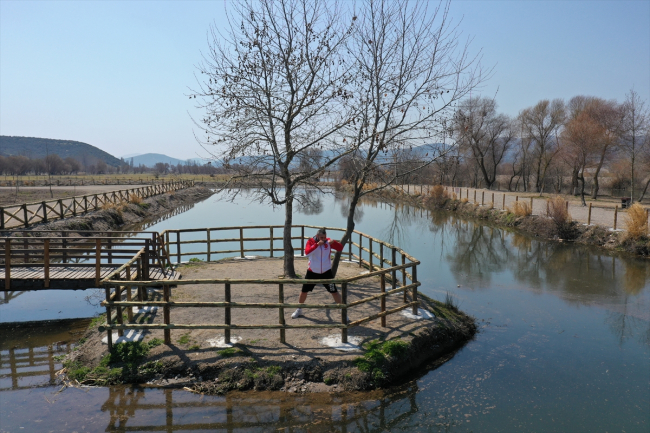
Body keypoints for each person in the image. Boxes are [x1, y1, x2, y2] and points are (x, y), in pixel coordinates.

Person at [291, 228, 344, 319]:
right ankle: (299, 309)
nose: (323, 239)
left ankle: (343, 310)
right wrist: (316, 245)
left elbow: (340, 248)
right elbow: (307, 253)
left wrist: (333, 242)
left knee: (334, 292)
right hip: (312, 272)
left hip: (326, 272)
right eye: (321, 237)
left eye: (324, 237)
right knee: (304, 292)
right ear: (317, 236)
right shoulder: (311, 242)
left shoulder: (328, 242)